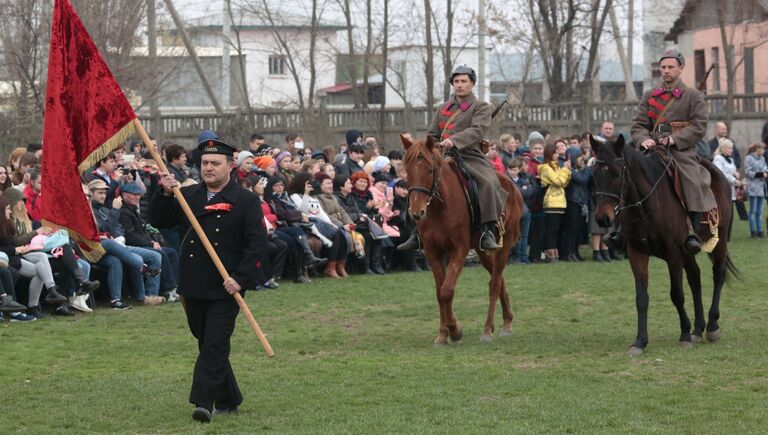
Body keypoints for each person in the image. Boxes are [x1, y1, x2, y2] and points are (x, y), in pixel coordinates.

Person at [151, 137, 268, 423]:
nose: (209, 168)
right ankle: (230, 397)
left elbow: (257, 245)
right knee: (207, 343)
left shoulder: (247, 201)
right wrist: (165, 194)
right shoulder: (187, 195)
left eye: (215, 163)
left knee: (215, 344)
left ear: (230, 166)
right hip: (192, 285)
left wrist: (241, 279)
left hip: (226, 288)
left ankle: (203, 401)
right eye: (205, 163)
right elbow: (159, 220)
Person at [630, 49, 714, 255]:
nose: (666, 71)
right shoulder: (649, 95)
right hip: (651, 149)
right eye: (663, 67)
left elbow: (699, 126)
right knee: (627, 177)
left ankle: (692, 231)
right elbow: (638, 125)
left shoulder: (693, 96)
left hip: (680, 151)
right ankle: (621, 229)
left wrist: (674, 139)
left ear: (681, 68)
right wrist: (644, 139)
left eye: (670, 67)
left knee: (692, 178)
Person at [538, 143, 572, 262]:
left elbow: (564, 183)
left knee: (556, 230)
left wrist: (564, 172)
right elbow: (558, 181)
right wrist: (565, 170)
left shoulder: (557, 167)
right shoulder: (546, 168)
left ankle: (554, 253)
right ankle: (549, 254)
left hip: (560, 202)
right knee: (550, 230)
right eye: (555, 153)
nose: (558, 155)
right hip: (551, 202)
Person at [712, 139, 740, 241]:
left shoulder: (731, 159)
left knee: (730, 213)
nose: (731, 150)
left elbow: (732, 171)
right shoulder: (718, 159)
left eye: (732, 148)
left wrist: (736, 175)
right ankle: (718, 235)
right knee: (722, 213)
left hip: (731, 190)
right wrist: (734, 180)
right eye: (729, 148)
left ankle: (727, 237)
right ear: (723, 148)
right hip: (721, 190)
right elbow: (720, 173)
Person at [743, 143, 767, 239]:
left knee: (759, 211)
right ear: (757, 149)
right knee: (752, 211)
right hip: (753, 188)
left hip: (761, 188)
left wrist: (765, 172)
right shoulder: (748, 158)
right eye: (762, 149)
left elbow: (765, 167)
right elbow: (748, 172)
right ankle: (753, 232)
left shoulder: (762, 158)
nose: (764, 151)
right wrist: (761, 174)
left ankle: (760, 231)